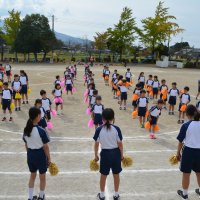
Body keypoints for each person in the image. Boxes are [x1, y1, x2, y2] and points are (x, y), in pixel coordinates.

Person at [93, 108, 123, 200]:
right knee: (116, 174)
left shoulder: (99, 129)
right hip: (115, 154)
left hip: (105, 154)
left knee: (103, 175)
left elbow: (96, 145)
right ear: (113, 118)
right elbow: (120, 144)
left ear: (102, 118)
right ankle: (116, 194)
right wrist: (121, 155)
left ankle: (102, 195)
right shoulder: (116, 129)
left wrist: (96, 155)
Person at [23, 107, 51, 200]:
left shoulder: (26, 129)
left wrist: (29, 154)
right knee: (42, 177)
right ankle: (41, 196)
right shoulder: (41, 130)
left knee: (32, 175)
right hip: (40, 155)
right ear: (38, 116)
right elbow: (46, 147)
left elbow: (26, 144)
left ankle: (30, 197)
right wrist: (49, 158)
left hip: (30, 154)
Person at [176, 105, 200, 200]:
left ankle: (185, 194)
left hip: (189, 152)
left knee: (186, 173)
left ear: (187, 114)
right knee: (199, 173)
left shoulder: (186, 125)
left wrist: (178, 153)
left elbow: (180, 142)